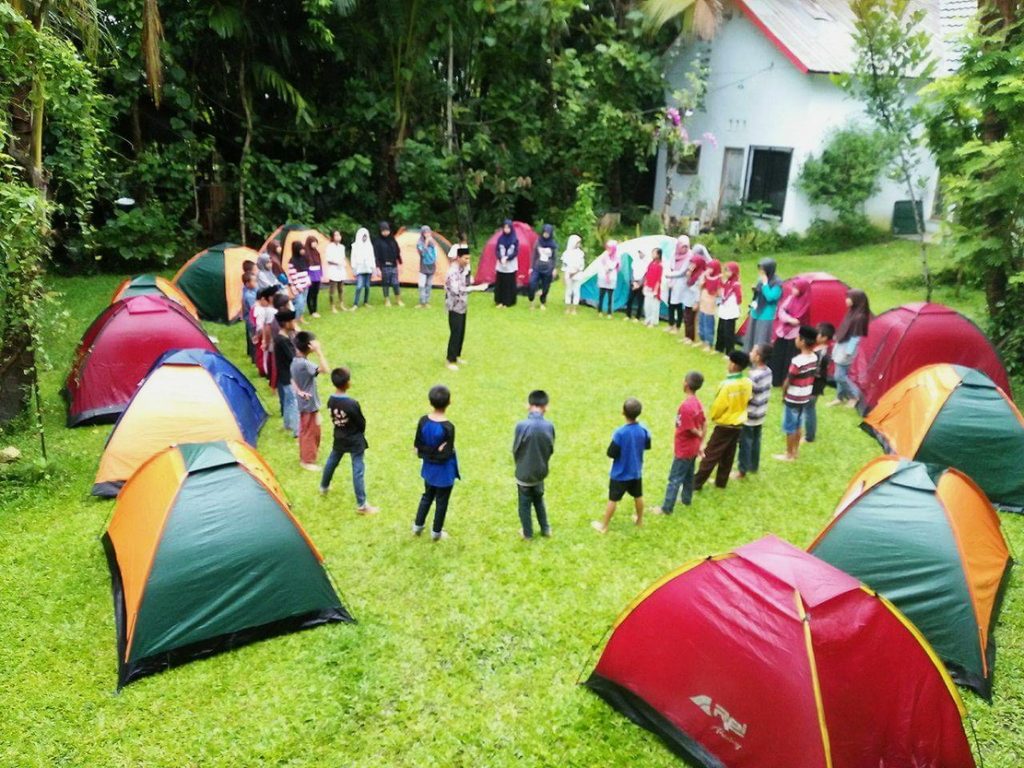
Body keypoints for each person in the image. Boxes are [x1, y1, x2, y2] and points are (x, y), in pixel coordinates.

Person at [319, 367, 379, 514]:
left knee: (332, 460)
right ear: (347, 383)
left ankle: (324, 486)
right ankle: (362, 505)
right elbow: (361, 422)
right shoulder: (351, 403)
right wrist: (360, 432)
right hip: (354, 439)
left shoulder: (331, 400)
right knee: (358, 469)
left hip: (339, 436)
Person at [693, 350, 753, 491]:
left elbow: (718, 406)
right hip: (739, 424)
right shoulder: (747, 382)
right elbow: (748, 399)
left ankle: (696, 483)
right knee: (728, 454)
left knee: (710, 454)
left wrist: (714, 417)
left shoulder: (726, 385)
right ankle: (721, 481)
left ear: (733, 365)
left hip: (724, 424)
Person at [592, 398, 651, 534]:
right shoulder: (643, 430)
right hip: (636, 472)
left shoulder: (620, 433)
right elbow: (647, 445)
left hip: (620, 474)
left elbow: (611, 453)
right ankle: (639, 520)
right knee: (638, 495)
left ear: (623, 413)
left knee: (613, 499)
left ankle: (604, 526)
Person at [651, 371, 705, 515]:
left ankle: (666, 508)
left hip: (684, 449)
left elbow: (690, 427)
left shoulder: (686, 406)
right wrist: (700, 442)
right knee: (688, 475)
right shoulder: (697, 402)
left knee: (674, 478)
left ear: (686, 384)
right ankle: (686, 499)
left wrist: (697, 433)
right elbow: (703, 423)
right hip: (693, 448)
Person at [413, 385, 459, 541]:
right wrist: (438, 450)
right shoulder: (448, 427)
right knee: (441, 502)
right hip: (444, 473)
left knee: (427, 496)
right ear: (449, 402)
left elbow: (418, 448)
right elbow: (445, 454)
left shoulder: (423, 421)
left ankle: (417, 527)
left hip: (429, 470)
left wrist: (429, 451)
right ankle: (436, 533)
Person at [512, 390, 556, 540]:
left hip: (524, 473)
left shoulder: (521, 425)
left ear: (528, 406)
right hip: (540, 472)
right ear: (546, 407)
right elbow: (550, 448)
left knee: (524, 504)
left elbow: (516, 449)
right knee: (538, 499)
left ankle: (527, 533)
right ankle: (545, 529)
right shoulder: (549, 426)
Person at [774, 326, 818, 462]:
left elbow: (789, 379)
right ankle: (796, 451)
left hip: (793, 397)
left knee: (790, 426)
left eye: (798, 338)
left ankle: (789, 454)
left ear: (803, 341)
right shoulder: (814, 357)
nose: (796, 340)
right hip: (804, 396)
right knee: (798, 424)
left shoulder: (798, 361)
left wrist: (784, 394)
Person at [291, 330, 329, 471]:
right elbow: (326, 369)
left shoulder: (296, 361)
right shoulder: (304, 364)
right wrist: (319, 352)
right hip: (308, 404)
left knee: (310, 429)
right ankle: (307, 461)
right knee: (309, 432)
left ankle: (308, 455)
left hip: (306, 402)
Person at [734, 343, 772, 479]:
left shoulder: (753, 376)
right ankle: (753, 466)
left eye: (753, 351)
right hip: (760, 413)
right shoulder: (768, 371)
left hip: (750, 415)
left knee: (745, 442)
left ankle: (742, 470)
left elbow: (747, 396)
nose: (750, 353)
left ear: (758, 357)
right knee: (756, 440)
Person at [444, 246, 484, 370]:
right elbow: (457, 290)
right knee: (455, 332)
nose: (467, 261)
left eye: (469, 259)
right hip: (454, 305)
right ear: (458, 258)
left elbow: (466, 283)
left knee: (461, 332)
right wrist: (475, 288)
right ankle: (449, 360)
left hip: (462, 305)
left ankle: (456, 356)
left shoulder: (463, 270)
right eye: (465, 258)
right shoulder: (452, 271)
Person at [829, 289, 870, 408]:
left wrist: (849, 351)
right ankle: (840, 397)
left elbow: (856, 336)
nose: (846, 300)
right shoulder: (852, 312)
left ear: (856, 300)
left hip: (847, 348)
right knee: (840, 373)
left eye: (849, 298)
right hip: (841, 345)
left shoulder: (859, 317)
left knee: (840, 376)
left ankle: (855, 396)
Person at [770, 276, 811, 386]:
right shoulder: (790, 298)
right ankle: (775, 379)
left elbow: (798, 321)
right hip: (783, 331)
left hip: (794, 334)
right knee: (778, 355)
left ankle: (785, 380)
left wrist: (789, 319)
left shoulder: (805, 303)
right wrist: (788, 319)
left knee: (789, 357)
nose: (793, 290)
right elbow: (781, 311)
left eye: (796, 288)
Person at [743, 258, 783, 352]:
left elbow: (771, 297)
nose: (761, 272)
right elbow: (759, 292)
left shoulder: (777, 283)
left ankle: (758, 359)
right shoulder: (761, 279)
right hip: (756, 310)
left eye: (763, 269)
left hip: (766, 313)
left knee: (761, 338)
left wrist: (765, 284)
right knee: (751, 336)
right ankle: (748, 356)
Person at [805, 322, 834, 443]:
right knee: (809, 408)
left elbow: (816, 371)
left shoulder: (820, 353)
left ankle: (809, 436)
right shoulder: (821, 350)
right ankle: (809, 434)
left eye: (818, 334)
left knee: (809, 409)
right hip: (816, 384)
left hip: (814, 385)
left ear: (824, 338)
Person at [273, 310, 300, 438]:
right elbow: (293, 357)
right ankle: (297, 430)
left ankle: (287, 424)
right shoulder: (283, 341)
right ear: (286, 323)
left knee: (289, 400)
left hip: (284, 375)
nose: (294, 323)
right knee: (294, 401)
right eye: (292, 321)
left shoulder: (281, 338)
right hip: (288, 376)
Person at [680, 246, 708, 344]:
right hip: (687, 298)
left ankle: (691, 338)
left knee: (692, 318)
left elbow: (697, 290)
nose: (691, 265)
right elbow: (686, 284)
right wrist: (688, 276)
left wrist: (697, 302)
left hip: (694, 299)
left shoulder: (701, 275)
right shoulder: (692, 274)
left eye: (693, 263)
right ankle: (686, 336)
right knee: (686, 317)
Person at [664, 236, 691, 334]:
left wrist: (670, 275)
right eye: (683, 246)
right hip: (672, 281)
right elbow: (670, 267)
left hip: (681, 283)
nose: (684, 249)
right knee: (671, 304)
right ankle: (671, 324)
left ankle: (678, 326)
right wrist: (670, 279)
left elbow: (682, 272)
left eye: (686, 247)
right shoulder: (674, 254)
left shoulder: (689, 256)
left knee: (679, 305)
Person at [372, 220, 403, 306]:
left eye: (387, 230)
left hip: (394, 265)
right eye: (383, 231)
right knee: (385, 283)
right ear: (380, 231)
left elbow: (397, 252)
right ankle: (387, 300)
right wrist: (378, 268)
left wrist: (400, 263)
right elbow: (376, 255)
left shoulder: (393, 240)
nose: (385, 232)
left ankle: (398, 300)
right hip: (384, 266)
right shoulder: (377, 242)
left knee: (395, 283)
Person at [529, 223, 558, 310]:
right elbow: (534, 255)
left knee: (546, 286)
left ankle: (542, 302)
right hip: (537, 266)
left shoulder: (552, 244)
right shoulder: (538, 242)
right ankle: (532, 301)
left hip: (548, 268)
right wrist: (531, 267)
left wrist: (554, 268)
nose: (546, 234)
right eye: (545, 232)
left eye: (548, 233)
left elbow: (554, 257)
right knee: (532, 283)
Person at [716, 261, 741, 354]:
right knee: (721, 329)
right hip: (724, 308)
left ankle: (729, 351)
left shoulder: (736, 284)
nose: (726, 273)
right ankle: (719, 348)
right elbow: (719, 288)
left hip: (731, 309)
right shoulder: (725, 281)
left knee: (729, 331)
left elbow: (739, 298)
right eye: (725, 271)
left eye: (729, 271)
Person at [253, 286, 279, 377]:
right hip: (267, 338)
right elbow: (263, 327)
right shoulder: (265, 311)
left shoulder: (268, 310)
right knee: (265, 356)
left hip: (270, 338)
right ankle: (266, 372)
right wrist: (262, 338)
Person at [697, 258, 721, 351]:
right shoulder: (706, 276)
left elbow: (718, 292)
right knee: (701, 322)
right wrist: (703, 275)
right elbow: (700, 286)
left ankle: (708, 343)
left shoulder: (718, 278)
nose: (708, 270)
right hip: (703, 302)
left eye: (711, 268)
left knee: (708, 323)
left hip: (710, 304)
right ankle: (702, 340)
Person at [495, 219, 519, 308]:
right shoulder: (500, 238)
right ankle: (499, 300)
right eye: (504, 227)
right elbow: (497, 249)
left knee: (508, 283)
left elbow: (516, 251)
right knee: (500, 282)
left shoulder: (514, 239)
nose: (506, 229)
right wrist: (500, 258)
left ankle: (508, 301)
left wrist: (508, 258)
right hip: (501, 264)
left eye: (508, 228)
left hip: (510, 265)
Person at [324, 230, 350, 313]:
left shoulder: (342, 247)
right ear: (332, 237)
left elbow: (343, 258)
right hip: (333, 269)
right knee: (332, 289)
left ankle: (341, 304)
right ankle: (332, 306)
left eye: (339, 235)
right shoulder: (329, 247)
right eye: (336, 235)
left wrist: (343, 263)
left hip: (341, 269)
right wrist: (337, 263)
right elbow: (328, 260)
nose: (338, 237)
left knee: (341, 288)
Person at [350, 227, 375, 309]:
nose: (364, 238)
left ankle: (366, 301)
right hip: (359, 269)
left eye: (366, 236)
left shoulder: (369, 246)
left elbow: (372, 257)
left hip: (368, 269)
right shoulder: (355, 246)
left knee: (367, 286)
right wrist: (353, 268)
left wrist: (373, 268)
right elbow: (353, 258)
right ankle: (355, 303)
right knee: (359, 286)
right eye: (363, 236)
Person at [560, 234, 586, 314]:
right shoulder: (566, 253)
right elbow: (564, 265)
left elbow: (581, 265)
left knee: (576, 291)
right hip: (568, 274)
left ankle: (574, 309)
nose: (579, 244)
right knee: (568, 291)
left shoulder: (580, 253)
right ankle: (567, 308)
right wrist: (565, 274)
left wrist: (575, 272)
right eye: (577, 243)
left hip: (577, 274)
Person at [595, 240, 620, 319]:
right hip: (603, 277)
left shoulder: (617, 256)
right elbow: (601, 264)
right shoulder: (604, 255)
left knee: (610, 296)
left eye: (610, 247)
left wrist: (609, 268)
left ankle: (609, 312)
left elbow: (615, 266)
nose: (609, 249)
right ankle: (599, 311)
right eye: (608, 247)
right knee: (601, 295)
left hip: (612, 278)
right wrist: (606, 268)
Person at [416, 225, 439, 308]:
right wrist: (426, 243)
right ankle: (422, 302)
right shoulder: (419, 243)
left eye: (429, 232)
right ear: (422, 233)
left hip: (432, 266)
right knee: (422, 285)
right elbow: (422, 253)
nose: (427, 234)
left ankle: (427, 301)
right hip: (423, 267)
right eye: (425, 232)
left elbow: (436, 255)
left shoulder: (433, 243)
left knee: (429, 285)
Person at [626, 248, 650, 322]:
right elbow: (632, 272)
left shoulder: (647, 263)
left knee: (640, 301)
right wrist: (633, 282)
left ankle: (637, 317)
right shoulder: (635, 261)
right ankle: (628, 315)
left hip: (641, 284)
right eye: (639, 252)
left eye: (641, 252)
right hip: (634, 282)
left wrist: (639, 284)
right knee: (630, 299)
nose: (640, 254)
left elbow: (646, 275)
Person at [288, 242, 311, 319]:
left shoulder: (303, 259)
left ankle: (301, 317)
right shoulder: (292, 261)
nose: (303, 251)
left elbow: (306, 272)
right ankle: (294, 319)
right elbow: (293, 275)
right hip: (298, 287)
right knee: (299, 302)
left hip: (305, 284)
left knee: (304, 302)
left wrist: (308, 281)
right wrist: (298, 286)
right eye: (301, 249)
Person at [642, 248, 664, 328]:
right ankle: (647, 319)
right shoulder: (650, 264)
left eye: (653, 253)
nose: (652, 254)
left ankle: (653, 321)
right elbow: (647, 275)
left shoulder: (660, 265)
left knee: (654, 305)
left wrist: (655, 289)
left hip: (655, 288)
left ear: (658, 255)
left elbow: (659, 279)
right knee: (647, 305)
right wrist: (645, 284)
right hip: (648, 286)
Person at [305, 235, 324, 318]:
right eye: (313, 242)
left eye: (316, 242)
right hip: (310, 276)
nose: (315, 244)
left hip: (317, 275)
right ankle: (311, 310)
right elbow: (306, 266)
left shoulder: (316, 252)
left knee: (316, 293)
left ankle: (315, 310)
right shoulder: (306, 253)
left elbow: (320, 264)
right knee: (310, 293)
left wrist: (321, 274)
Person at [242, 271, 258, 361]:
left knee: (251, 336)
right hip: (251, 320)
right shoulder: (249, 295)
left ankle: (252, 355)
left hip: (249, 318)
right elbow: (254, 308)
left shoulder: (251, 291)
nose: (256, 283)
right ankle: (254, 358)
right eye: (254, 281)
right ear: (247, 283)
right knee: (253, 338)